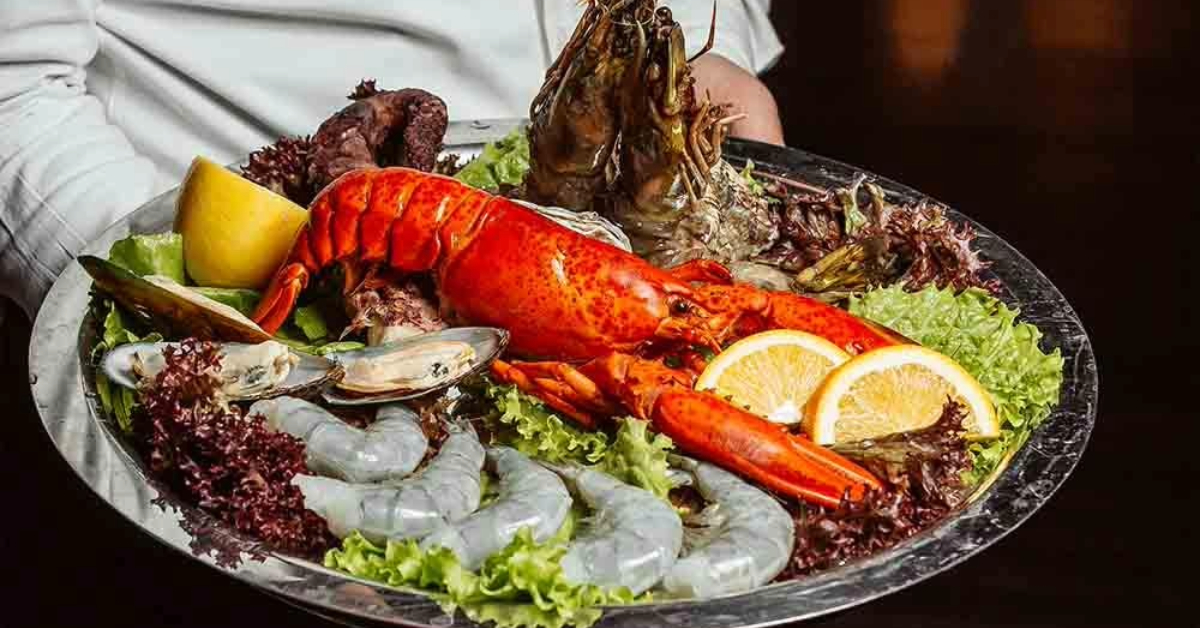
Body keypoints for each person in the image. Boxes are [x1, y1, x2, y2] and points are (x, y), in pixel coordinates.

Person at [0, 1, 785, 325]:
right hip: (291, 269)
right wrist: (175, 301)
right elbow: (12, 91)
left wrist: (700, 70)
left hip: (613, 225)